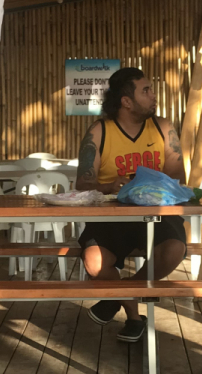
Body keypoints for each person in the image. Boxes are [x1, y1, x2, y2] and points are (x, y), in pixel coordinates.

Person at [75, 66, 186, 342]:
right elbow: (83, 184)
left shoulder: (163, 128)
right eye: (146, 91)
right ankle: (135, 317)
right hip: (111, 216)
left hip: (155, 213)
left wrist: (145, 186)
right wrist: (109, 186)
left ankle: (118, 297)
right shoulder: (100, 131)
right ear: (126, 101)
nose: (153, 95)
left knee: (175, 249)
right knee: (94, 262)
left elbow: (177, 177)